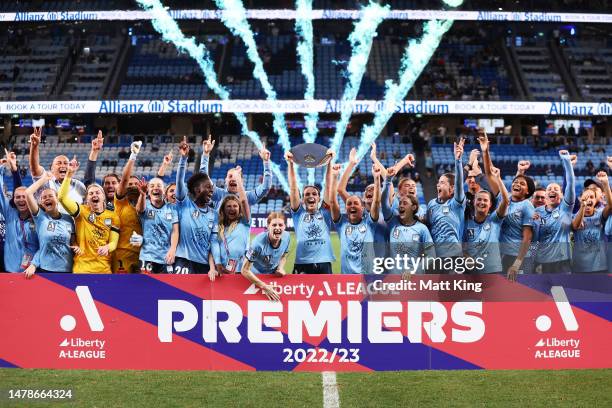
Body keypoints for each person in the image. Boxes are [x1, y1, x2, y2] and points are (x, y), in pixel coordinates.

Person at [479, 129, 535, 280]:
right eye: (516, 181)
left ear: (528, 191)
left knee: (520, 295)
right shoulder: (503, 199)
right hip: (501, 254)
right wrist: (485, 151)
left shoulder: (527, 206)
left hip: (519, 257)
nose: (517, 184)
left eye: (522, 184)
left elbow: (527, 238)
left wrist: (517, 263)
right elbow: (490, 174)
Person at [58, 157, 120, 274]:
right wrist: (69, 174)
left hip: (104, 269)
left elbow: (113, 243)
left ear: (103, 198)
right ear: (87, 199)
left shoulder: (113, 217)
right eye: (91, 193)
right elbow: (61, 198)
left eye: (98, 192)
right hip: (82, 269)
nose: (94, 195)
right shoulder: (81, 211)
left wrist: (107, 247)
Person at [285, 148, 335, 274]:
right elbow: (292, 188)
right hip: (302, 262)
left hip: (323, 262)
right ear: (302, 199)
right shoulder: (298, 213)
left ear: (319, 199)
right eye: (307, 194)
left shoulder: (325, 212)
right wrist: (290, 163)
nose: (311, 196)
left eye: (314, 194)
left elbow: (328, 186)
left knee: (326, 294)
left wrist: (330, 162)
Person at [174, 136, 218, 275]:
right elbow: (180, 182)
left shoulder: (214, 214)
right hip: (184, 260)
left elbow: (213, 242)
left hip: (205, 265)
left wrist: (214, 266)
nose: (211, 190)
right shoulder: (184, 204)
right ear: (197, 190)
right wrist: (183, 159)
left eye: (212, 187)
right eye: (208, 187)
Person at [382, 165, 435, 276]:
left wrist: (415, 270)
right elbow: (384, 203)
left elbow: (431, 254)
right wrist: (387, 180)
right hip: (394, 277)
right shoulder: (394, 220)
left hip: (415, 277)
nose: (401, 206)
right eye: (400, 203)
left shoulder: (422, 226)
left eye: (413, 185)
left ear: (414, 207)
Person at [423, 137, 466, 270]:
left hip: (453, 256)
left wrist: (458, 160)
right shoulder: (431, 204)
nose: (438, 185)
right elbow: (428, 227)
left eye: (442, 182)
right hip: (435, 256)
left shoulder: (456, 204)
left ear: (452, 188)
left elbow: (459, 183)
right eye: (438, 182)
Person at [331, 161, 380, 275]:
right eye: (349, 204)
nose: (352, 206)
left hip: (368, 277)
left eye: (355, 203)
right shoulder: (341, 225)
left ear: (362, 207)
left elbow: (376, 202)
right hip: (347, 279)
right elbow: (333, 202)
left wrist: (377, 178)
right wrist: (334, 177)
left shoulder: (369, 222)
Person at [23, 172, 76, 277]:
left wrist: (76, 247)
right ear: (41, 202)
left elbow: (73, 243)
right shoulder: (40, 218)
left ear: (57, 199)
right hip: (46, 269)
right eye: (44, 197)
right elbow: (28, 193)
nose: (47, 198)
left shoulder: (69, 219)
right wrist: (44, 179)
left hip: (67, 269)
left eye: (50, 196)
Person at [200, 135, 272, 209]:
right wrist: (205, 154)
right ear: (225, 180)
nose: (234, 179)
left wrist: (266, 162)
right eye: (230, 176)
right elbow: (203, 180)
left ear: (242, 181)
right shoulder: (218, 194)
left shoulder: (248, 197)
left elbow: (265, 187)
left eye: (237, 177)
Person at [533, 150, 576, 274]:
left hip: (562, 260)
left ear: (562, 195)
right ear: (545, 195)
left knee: (563, 292)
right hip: (543, 260)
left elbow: (570, 183)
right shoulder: (537, 211)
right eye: (549, 189)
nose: (552, 190)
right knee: (545, 292)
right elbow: (534, 238)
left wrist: (566, 160)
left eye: (556, 189)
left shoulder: (565, 208)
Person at [463, 166, 509, 274]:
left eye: (485, 200)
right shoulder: (466, 223)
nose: (482, 202)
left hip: (492, 271)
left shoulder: (495, 219)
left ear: (490, 204)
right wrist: (466, 257)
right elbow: (459, 247)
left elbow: (506, 201)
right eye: (479, 199)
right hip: (471, 272)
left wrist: (498, 179)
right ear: (474, 202)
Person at [29, 127, 86, 214]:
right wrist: (35, 146)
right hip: (49, 225)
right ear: (51, 168)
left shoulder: (79, 185)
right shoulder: (46, 182)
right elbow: (35, 169)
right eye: (59, 163)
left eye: (65, 163)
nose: (63, 166)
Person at [110, 142, 145, 274]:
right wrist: (133, 156)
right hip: (122, 254)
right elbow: (124, 180)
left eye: (136, 183)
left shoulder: (146, 205)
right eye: (130, 184)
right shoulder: (120, 202)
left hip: (144, 254)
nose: (132, 186)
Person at [0, 154, 38, 273]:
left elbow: (44, 245)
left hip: (32, 271)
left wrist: (35, 264)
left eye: (24, 197)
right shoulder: (9, 213)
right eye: (17, 197)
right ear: (13, 200)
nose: (21, 199)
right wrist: (1, 169)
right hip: (9, 271)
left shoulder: (39, 218)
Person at [210, 172, 251, 281]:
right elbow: (214, 244)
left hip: (241, 272)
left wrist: (238, 179)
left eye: (235, 206)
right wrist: (218, 263)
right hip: (221, 271)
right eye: (228, 206)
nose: (232, 209)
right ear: (223, 209)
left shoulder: (245, 222)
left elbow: (243, 201)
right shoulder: (218, 226)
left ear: (239, 208)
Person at [241, 212, 290, 301]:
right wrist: (264, 286)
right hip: (255, 276)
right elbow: (244, 270)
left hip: (272, 275)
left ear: (285, 226)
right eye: (274, 225)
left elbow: (283, 255)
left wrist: (280, 268)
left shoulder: (287, 237)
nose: (277, 228)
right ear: (268, 226)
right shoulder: (257, 244)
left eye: (280, 225)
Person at [134, 176, 179, 274]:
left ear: (164, 191)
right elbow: (139, 209)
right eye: (152, 186)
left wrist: (172, 249)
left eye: (159, 185)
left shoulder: (172, 208)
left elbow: (175, 231)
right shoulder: (145, 205)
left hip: (166, 257)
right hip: (147, 256)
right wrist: (142, 194)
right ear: (148, 191)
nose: (156, 188)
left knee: (166, 288)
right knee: (146, 288)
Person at [571, 171, 611, 273]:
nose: (588, 199)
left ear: (595, 201)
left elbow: (610, 206)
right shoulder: (574, 216)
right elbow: (575, 226)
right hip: (579, 267)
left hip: (599, 267)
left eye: (592, 197)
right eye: (586, 197)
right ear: (580, 199)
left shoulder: (600, 214)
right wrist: (583, 206)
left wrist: (605, 183)